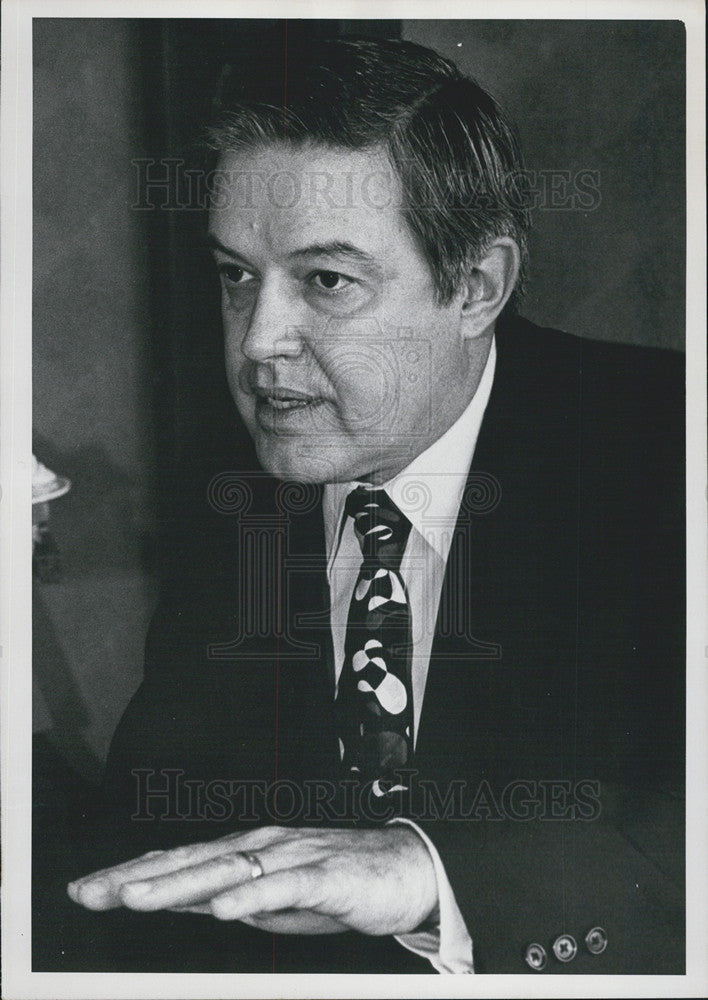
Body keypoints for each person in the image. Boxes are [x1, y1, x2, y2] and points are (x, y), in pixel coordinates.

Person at [65, 37, 684, 974]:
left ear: (475, 286)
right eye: (236, 275)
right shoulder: (242, 478)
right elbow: (159, 844)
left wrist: (438, 875)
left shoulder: (670, 453)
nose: (259, 345)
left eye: (326, 281)